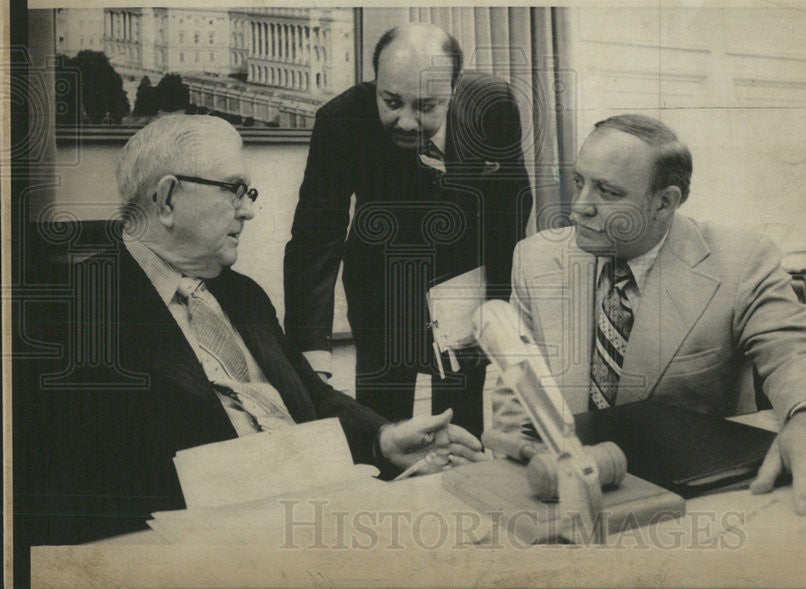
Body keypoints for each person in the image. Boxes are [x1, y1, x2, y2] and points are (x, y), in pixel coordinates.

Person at [20, 114, 483, 545]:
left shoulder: (244, 295)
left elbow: (313, 400)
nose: (249, 212)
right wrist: (277, 475)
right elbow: (74, 490)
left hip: (325, 520)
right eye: (235, 190)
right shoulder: (68, 313)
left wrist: (385, 438)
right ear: (166, 199)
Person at [492, 114, 806, 521]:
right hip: (564, 496)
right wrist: (522, 458)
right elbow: (517, 397)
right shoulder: (536, 259)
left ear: (665, 202)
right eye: (579, 181)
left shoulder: (741, 261)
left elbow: (800, 352)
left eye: (607, 191)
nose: (579, 207)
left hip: (696, 507)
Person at [284, 23, 532, 439]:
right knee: (383, 421)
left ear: (454, 90)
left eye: (426, 106)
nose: (405, 121)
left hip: (463, 284)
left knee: (460, 422)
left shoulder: (494, 104)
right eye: (392, 101)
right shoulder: (340, 120)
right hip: (381, 287)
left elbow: (511, 208)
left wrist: (497, 308)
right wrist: (313, 351)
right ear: (375, 80)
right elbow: (316, 235)